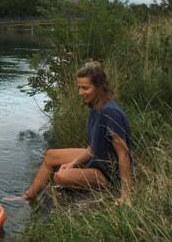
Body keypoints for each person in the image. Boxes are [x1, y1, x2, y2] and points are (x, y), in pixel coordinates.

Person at [24, 61, 133, 206]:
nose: (80, 93)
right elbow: (94, 146)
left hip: (108, 174)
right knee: (51, 155)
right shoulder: (96, 107)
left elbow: (123, 153)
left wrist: (126, 194)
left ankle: (110, 187)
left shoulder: (110, 112)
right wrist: (72, 163)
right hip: (97, 158)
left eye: (85, 88)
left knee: (60, 176)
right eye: (79, 87)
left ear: (100, 87)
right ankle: (28, 197)